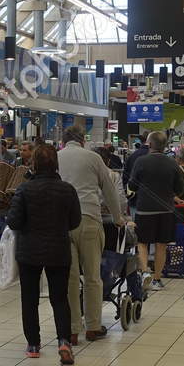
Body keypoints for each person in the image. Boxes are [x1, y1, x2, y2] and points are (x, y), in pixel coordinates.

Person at [5, 144, 81, 364]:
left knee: (29, 299)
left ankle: (33, 344)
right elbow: (75, 221)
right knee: (59, 298)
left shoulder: (24, 189)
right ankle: (64, 341)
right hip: (59, 249)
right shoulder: (67, 189)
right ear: (55, 163)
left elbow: (14, 221)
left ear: (34, 163)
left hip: (29, 251)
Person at [58, 126, 125, 343]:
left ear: (63, 140)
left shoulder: (56, 157)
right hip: (89, 220)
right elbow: (109, 190)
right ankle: (93, 327)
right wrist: (118, 218)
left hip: (63, 223)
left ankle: (72, 330)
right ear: (82, 141)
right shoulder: (93, 157)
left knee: (69, 278)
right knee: (92, 277)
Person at [128, 129, 184, 286]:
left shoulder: (141, 161)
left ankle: (145, 272)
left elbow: (132, 185)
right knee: (161, 245)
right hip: (166, 210)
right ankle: (158, 279)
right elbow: (179, 189)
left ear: (150, 144)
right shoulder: (172, 163)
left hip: (144, 209)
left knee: (142, 243)